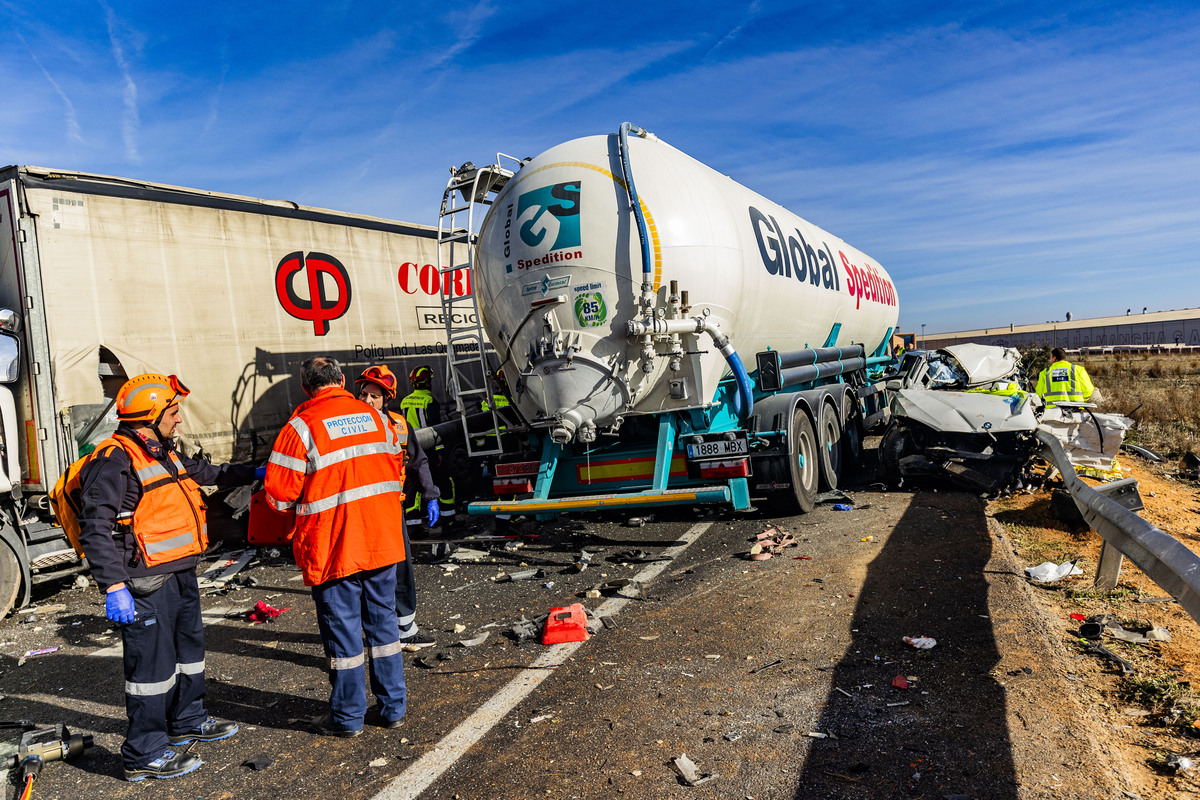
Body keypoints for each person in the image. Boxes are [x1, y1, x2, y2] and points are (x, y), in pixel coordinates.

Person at [78, 373, 257, 781]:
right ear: (151, 414)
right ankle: (145, 752)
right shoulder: (115, 459)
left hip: (180, 573)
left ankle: (188, 720)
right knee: (151, 671)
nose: (178, 419)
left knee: (189, 655)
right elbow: (95, 527)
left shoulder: (160, 450)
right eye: (173, 411)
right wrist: (114, 587)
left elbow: (209, 474)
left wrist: (258, 471)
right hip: (144, 584)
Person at [264, 357, 413, 737]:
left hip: (334, 548)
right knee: (384, 629)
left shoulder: (300, 428)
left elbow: (279, 498)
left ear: (305, 387)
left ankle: (347, 719)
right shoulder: (379, 419)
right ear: (343, 380)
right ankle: (393, 708)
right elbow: (394, 467)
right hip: (381, 541)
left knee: (344, 635)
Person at [354, 365, 441, 650]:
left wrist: (430, 494)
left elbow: (418, 461)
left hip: (391, 511)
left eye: (373, 397)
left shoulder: (399, 426)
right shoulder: (349, 427)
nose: (366, 400)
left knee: (401, 569)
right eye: (364, 394)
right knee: (366, 573)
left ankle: (405, 629)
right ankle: (377, 630)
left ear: (386, 400)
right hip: (360, 513)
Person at [399, 365, 456, 527]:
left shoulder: (405, 401)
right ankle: (448, 520)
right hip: (428, 449)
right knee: (444, 481)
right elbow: (434, 429)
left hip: (410, 448)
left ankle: (413, 524)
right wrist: (439, 452)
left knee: (412, 485)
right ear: (427, 383)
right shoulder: (429, 400)